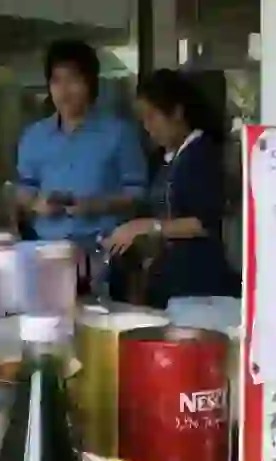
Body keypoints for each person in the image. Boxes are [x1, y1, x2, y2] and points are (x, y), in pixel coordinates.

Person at [103, 69, 240, 309]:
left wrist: (147, 227)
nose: (147, 127)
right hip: (171, 287)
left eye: (152, 117)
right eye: (143, 119)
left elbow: (202, 222)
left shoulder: (201, 155)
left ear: (177, 112)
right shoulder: (169, 158)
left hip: (200, 288)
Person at [14, 40, 147, 250]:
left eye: (73, 80)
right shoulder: (34, 135)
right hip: (46, 248)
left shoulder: (119, 133)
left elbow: (138, 193)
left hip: (103, 247)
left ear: (90, 83)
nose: (64, 90)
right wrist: (35, 204)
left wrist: (97, 205)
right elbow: (23, 188)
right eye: (56, 81)